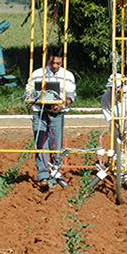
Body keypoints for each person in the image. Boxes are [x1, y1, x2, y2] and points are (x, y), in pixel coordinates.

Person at [25, 46, 76, 190]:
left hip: (57, 114)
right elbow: (27, 92)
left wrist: (63, 103)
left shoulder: (68, 76)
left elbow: (72, 95)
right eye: (52, 63)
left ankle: (55, 173)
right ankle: (43, 176)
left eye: (58, 64)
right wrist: (35, 98)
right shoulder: (37, 74)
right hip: (39, 113)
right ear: (48, 60)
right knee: (41, 144)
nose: (55, 66)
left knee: (56, 145)